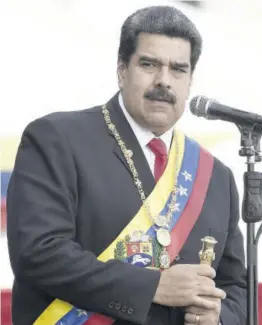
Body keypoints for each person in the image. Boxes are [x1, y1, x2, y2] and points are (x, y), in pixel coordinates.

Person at [7, 5, 247, 325]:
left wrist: (219, 316)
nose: (164, 81)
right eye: (149, 64)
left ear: (190, 82)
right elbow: (38, 254)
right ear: (122, 69)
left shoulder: (216, 177)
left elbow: (237, 290)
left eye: (178, 69)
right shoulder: (56, 139)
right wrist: (154, 287)